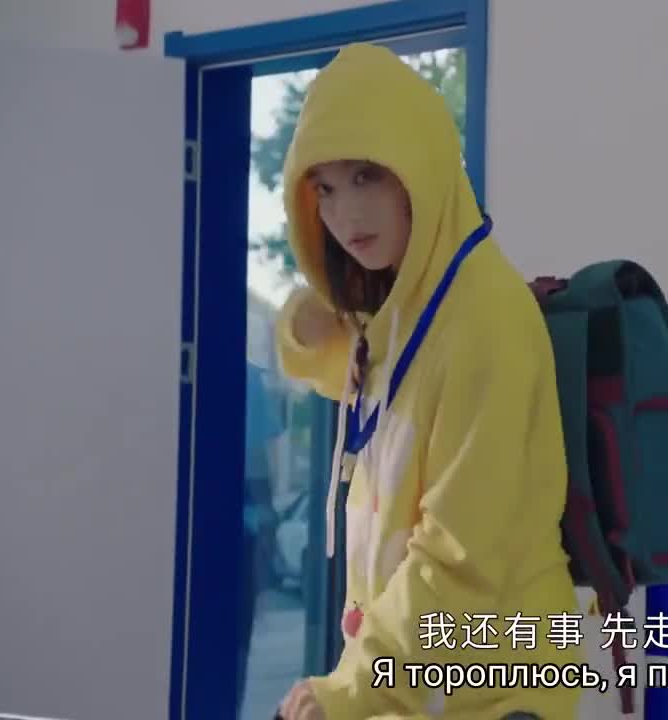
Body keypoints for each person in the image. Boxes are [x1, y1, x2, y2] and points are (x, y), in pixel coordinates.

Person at [272, 43, 582, 720]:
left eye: (365, 176)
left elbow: (457, 554)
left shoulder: (485, 317)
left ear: (419, 163)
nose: (345, 215)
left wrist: (350, 688)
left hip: (500, 693)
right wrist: (307, 318)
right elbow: (349, 371)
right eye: (324, 189)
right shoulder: (404, 313)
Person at [239, 361, 286, 709]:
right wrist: (269, 525)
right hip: (240, 532)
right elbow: (257, 463)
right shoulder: (248, 377)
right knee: (236, 641)